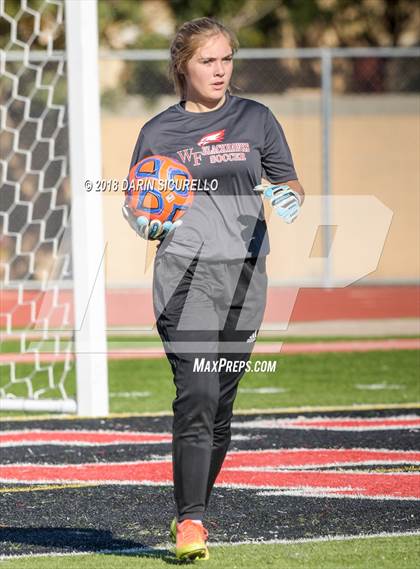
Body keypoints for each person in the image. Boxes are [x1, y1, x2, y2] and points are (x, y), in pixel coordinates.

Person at [123, 17, 305, 561]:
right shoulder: (158, 132)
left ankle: (195, 508)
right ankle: (191, 523)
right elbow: (137, 201)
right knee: (198, 393)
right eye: (208, 61)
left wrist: (291, 196)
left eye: (226, 59)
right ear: (183, 65)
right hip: (185, 274)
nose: (220, 70)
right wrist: (146, 225)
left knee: (221, 407)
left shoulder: (257, 118)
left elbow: (287, 178)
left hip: (247, 274)